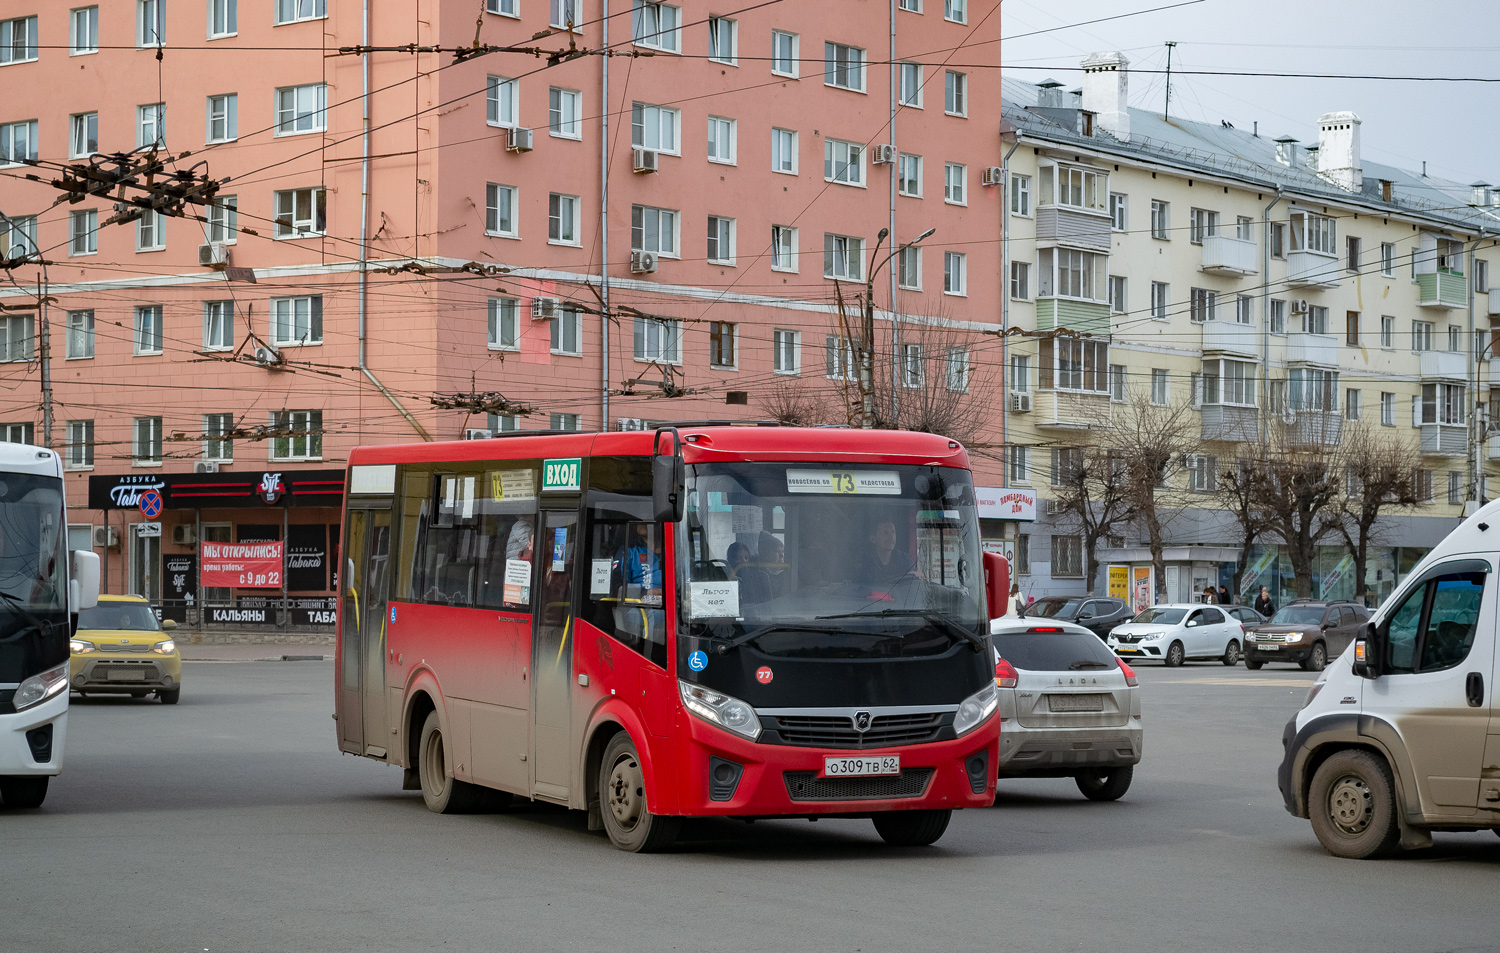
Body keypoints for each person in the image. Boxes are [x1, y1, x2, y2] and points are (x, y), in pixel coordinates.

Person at [855, 519, 919, 587]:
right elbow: (861, 589)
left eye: (893, 532)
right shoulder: (865, 563)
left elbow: (911, 587)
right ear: (873, 539)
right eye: (885, 533)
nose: (891, 537)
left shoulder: (905, 561)